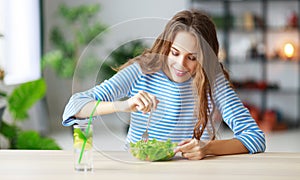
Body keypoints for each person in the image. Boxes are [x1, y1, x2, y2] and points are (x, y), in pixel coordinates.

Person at [62, 10, 266, 160]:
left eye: (192, 58)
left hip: (193, 171)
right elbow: (75, 105)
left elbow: (255, 138)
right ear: (167, 46)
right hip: (141, 169)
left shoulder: (213, 78)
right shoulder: (142, 70)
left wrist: (208, 147)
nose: (180, 64)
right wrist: (122, 105)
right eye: (175, 53)